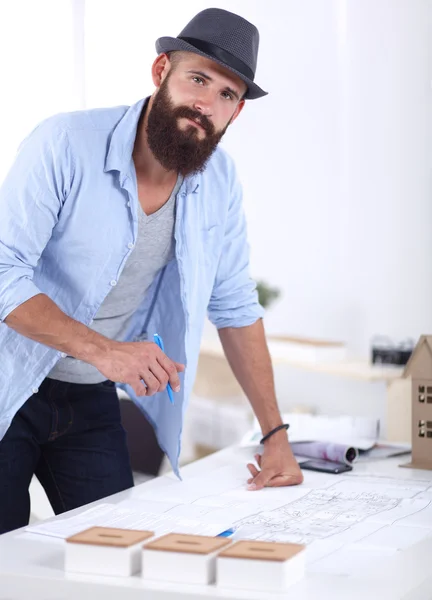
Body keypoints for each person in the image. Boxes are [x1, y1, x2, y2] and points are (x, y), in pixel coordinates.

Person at [0, 8, 303, 535]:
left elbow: (233, 304)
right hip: (9, 381)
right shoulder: (64, 143)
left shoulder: (219, 181)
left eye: (227, 95)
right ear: (162, 70)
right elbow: (3, 271)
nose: (206, 104)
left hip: (89, 395)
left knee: (116, 556)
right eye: (198, 79)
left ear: (237, 113)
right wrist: (107, 351)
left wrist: (275, 435)